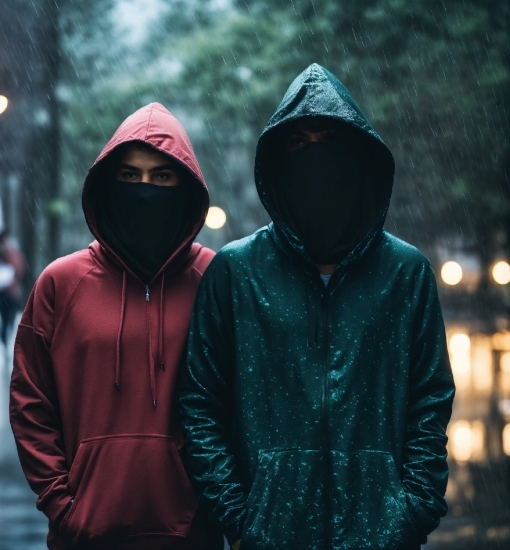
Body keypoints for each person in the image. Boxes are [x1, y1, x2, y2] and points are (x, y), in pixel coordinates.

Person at [179, 64, 455, 550]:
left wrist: (411, 511)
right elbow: (201, 405)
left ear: (358, 156)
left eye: (328, 139)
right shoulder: (235, 272)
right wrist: (241, 519)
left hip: (382, 535)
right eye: (297, 143)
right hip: (269, 536)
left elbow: (429, 401)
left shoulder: (405, 273)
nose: (315, 157)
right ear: (276, 162)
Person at [10, 103, 223, 550]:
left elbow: (243, 403)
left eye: (161, 176)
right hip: (82, 535)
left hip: (192, 535)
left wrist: (218, 507)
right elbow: (31, 404)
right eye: (129, 175)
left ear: (184, 187)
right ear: (108, 184)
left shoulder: (216, 279)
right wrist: (62, 504)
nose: (144, 189)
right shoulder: (61, 283)